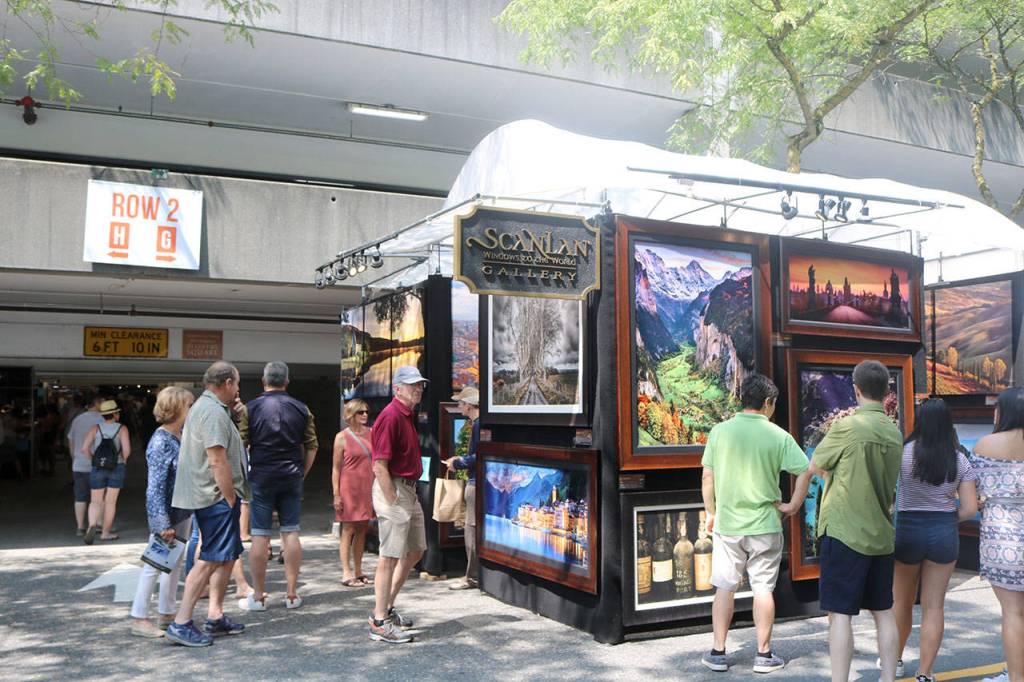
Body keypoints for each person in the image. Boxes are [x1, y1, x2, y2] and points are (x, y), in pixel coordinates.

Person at [698, 373, 812, 674]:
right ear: (767, 403)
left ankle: (718, 653)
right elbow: (805, 471)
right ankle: (763, 656)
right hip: (765, 524)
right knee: (763, 588)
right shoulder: (778, 435)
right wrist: (793, 505)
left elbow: (707, 477)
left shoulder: (719, 432)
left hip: (729, 524)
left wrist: (711, 512)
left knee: (724, 586)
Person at [809, 360, 903, 682]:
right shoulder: (894, 432)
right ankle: (888, 677)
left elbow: (817, 464)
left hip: (844, 531)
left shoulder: (847, 426)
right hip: (880, 534)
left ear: (856, 390)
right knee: (884, 610)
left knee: (840, 615)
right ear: (887, 391)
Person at [892, 398, 978, 682]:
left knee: (901, 603)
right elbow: (969, 509)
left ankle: (894, 662)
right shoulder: (959, 459)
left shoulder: (902, 453)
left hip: (907, 530)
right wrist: (944, 517)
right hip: (943, 531)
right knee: (934, 606)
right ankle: (925, 673)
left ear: (919, 421)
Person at [165, 361, 250, 647]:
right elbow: (216, 458)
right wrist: (228, 496)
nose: (238, 390)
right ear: (227, 383)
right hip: (215, 497)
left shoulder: (209, 408)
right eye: (236, 384)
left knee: (226, 555)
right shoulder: (213, 412)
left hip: (211, 496)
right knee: (210, 558)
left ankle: (215, 616)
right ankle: (181, 622)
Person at [238, 361, 318, 611]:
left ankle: (259, 595)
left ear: (264, 382)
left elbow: (241, 445)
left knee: (260, 534)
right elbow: (312, 445)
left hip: (261, 476)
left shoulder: (251, 409)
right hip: (291, 474)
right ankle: (292, 594)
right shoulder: (302, 408)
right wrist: (302, 473)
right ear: (287, 381)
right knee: (291, 531)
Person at [368, 365, 429, 644]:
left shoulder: (406, 415)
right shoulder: (391, 416)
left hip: (408, 490)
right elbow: (379, 464)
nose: (418, 389)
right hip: (395, 489)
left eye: (420, 385)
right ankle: (379, 621)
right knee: (389, 556)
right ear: (397, 388)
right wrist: (392, 497)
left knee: (415, 551)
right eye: (412, 384)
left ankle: (386, 609)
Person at [129, 387, 196, 638]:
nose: (192, 411)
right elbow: (154, 487)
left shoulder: (175, 437)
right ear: (178, 408)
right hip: (169, 514)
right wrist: (161, 522)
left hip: (180, 511)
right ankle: (139, 617)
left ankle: (167, 612)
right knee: (155, 564)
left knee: (173, 563)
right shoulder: (161, 441)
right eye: (189, 406)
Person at [972, 387, 1024, 682]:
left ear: (1002, 412)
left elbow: (973, 495)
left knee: (1013, 613)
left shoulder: (984, 445)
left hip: (1001, 541)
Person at [442, 386, 482, 591]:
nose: (458, 406)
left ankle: (471, 576)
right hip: (478, 481)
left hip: (475, 482)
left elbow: (478, 456)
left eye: (460, 403)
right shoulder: (478, 424)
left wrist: (457, 463)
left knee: (471, 528)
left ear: (468, 405)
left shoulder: (477, 425)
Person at [333, 398, 375, 588]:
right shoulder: (342, 437)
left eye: (366, 411)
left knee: (362, 530)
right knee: (348, 529)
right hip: (349, 487)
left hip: (368, 486)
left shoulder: (373, 434)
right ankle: (346, 572)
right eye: (360, 412)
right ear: (351, 414)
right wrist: (336, 494)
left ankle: (358, 571)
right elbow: (336, 468)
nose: (365, 415)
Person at [82, 400, 132, 544]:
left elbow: (84, 449)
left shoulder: (95, 428)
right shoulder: (122, 429)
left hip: (98, 467)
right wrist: (123, 459)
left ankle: (92, 524)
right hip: (116, 466)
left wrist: (94, 460)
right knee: (110, 502)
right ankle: (105, 533)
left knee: (95, 501)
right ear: (115, 414)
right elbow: (127, 451)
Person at [67, 395, 104, 536]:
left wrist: (74, 456)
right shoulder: (101, 419)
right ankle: (98, 524)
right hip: (97, 465)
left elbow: (70, 439)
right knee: (98, 498)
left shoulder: (78, 419)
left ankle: (80, 527)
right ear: (96, 403)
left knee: (80, 497)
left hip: (79, 464)